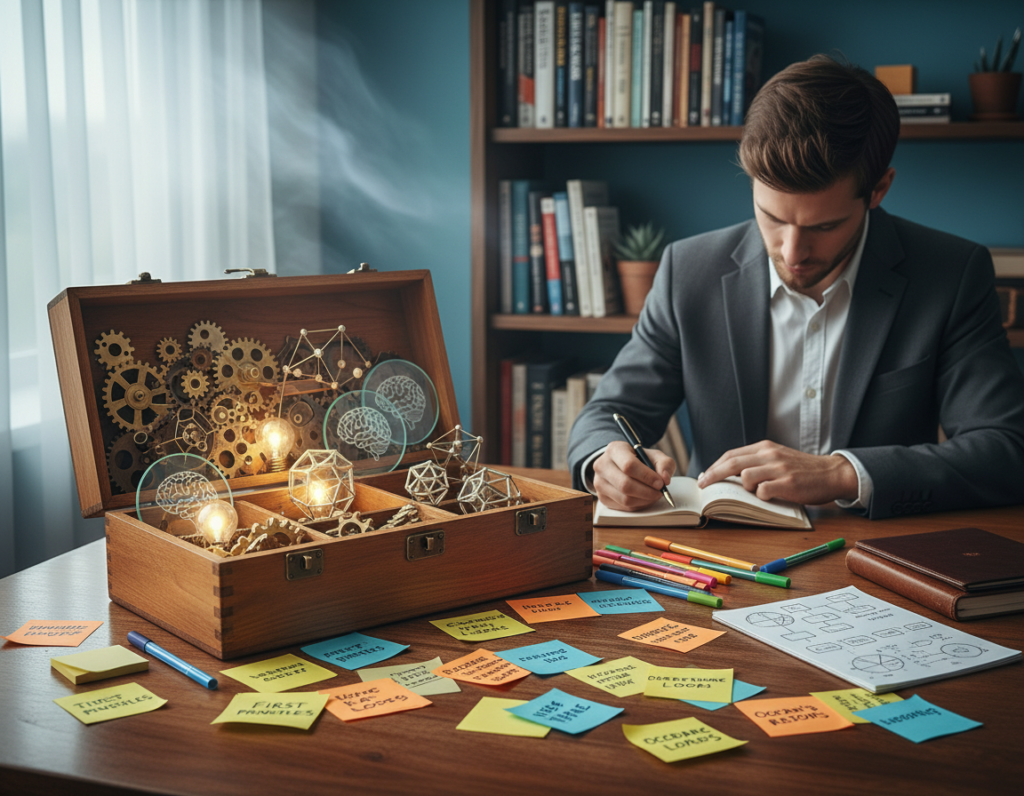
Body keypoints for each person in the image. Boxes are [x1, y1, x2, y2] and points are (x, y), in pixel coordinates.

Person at [567, 54, 1024, 520]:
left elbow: (1006, 450)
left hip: (879, 555)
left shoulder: (951, 273)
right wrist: (604, 460)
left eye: (824, 226)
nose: (791, 251)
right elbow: (610, 411)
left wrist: (842, 474)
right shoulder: (688, 270)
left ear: (879, 190)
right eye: (772, 217)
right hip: (719, 555)